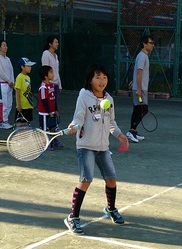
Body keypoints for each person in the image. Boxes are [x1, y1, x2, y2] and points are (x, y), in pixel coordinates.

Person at [64, 64, 129, 235]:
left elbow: (111, 122)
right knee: (86, 180)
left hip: (103, 147)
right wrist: (73, 127)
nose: (101, 81)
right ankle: (73, 218)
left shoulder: (109, 99)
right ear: (90, 80)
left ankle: (111, 209)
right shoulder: (84, 97)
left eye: (104, 77)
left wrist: (120, 135)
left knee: (111, 179)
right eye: (97, 77)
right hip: (86, 146)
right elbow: (78, 118)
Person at [126, 35, 155, 143]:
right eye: (151, 43)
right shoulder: (142, 56)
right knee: (143, 109)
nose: (153, 45)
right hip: (140, 89)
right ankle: (131, 131)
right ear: (144, 44)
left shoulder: (143, 56)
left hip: (141, 88)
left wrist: (134, 83)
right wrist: (138, 88)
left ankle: (133, 131)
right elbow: (139, 72)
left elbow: (138, 73)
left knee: (138, 109)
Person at [38, 65, 63, 150]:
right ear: (46, 76)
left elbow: (54, 99)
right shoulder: (43, 87)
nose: (53, 74)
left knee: (53, 128)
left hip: (52, 112)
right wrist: (49, 112)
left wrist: (55, 110)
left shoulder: (52, 86)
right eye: (51, 72)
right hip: (44, 114)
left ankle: (54, 142)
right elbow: (44, 100)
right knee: (45, 129)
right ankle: (45, 144)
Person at [0, 40, 14, 129]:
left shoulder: (8, 59)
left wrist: (12, 82)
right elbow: (0, 72)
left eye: (6, 45)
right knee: (3, 104)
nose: (6, 47)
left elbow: (11, 71)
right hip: (1, 85)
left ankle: (6, 120)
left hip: (9, 85)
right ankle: (2, 122)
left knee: (9, 103)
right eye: (4, 45)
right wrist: (9, 81)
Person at [14, 58, 36, 127]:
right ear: (22, 67)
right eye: (28, 66)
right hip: (22, 106)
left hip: (28, 106)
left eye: (30, 66)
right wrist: (18, 105)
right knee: (20, 124)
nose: (30, 68)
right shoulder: (19, 77)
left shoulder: (28, 77)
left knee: (26, 124)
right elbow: (17, 92)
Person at [41, 35, 62, 103]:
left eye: (58, 42)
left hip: (55, 84)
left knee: (54, 105)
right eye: (55, 42)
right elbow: (45, 70)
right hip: (49, 84)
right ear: (50, 44)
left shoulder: (56, 56)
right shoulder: (46, 54)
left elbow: (56, 71)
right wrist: (47, 84)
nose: (57, 44)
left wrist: (59, 85)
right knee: (49, 105)